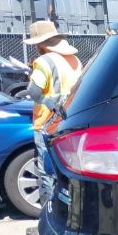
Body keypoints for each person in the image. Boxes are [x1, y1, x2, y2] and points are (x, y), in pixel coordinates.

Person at [23, 21, 83, 206]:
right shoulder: (74, 60)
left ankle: (50, 214)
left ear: (40, 44)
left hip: (47, 125)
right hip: (70, 123)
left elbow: (34, 92)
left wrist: (48, 102)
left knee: (48, 172)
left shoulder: (43, 61)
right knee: (69, 171)